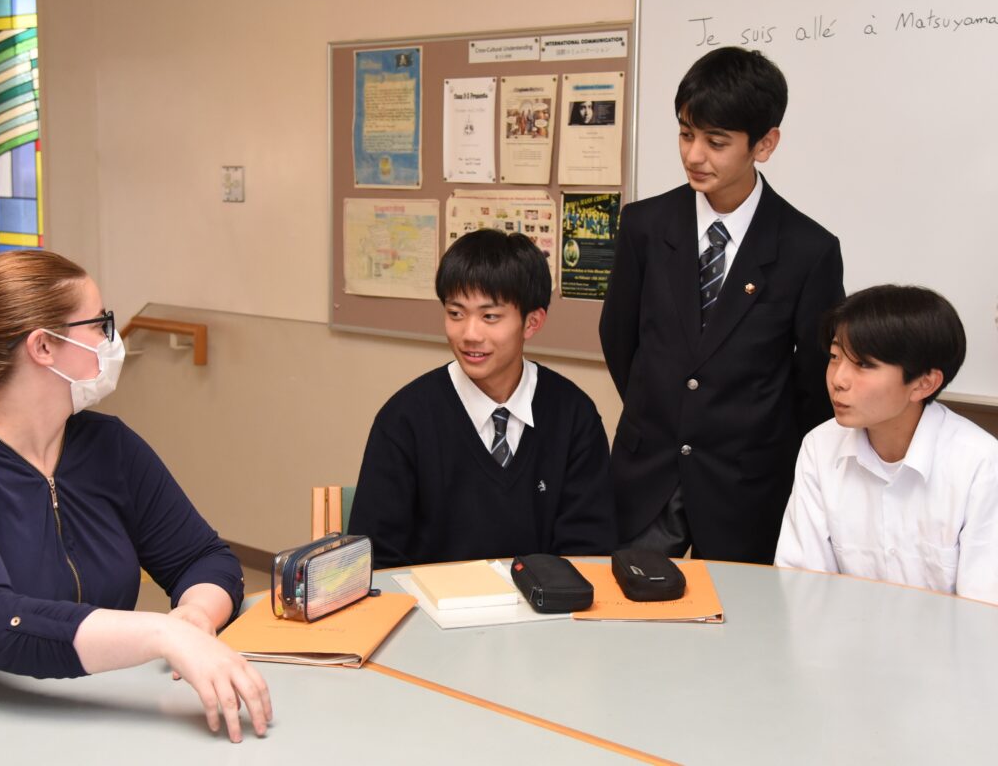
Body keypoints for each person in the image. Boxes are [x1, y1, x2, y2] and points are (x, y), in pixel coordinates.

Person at [0, 251, 271, 742]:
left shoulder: (109, 445)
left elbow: (203, 556)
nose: (111, 340)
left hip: (62, 717)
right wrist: (160, 634)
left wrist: (193, 616)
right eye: (98, 323)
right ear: (43, 346)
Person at [599, 46, 844, 563]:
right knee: (623, 618)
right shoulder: (645, 226)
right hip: (648, 474)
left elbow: (813, 382)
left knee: (740, 630)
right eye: (686, 134)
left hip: (746, 486)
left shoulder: (808, 250)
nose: (693, 155)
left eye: (716, 141)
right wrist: (667, 413)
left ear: (765, 143)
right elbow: (620, 339)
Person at [348, 229, 617, 569]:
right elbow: (375, 559)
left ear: (532, 322)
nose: (469, 335)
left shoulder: (573, 415)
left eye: (490, 317)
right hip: (431, 615)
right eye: (456, 313)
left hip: (545, 614)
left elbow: (588, 554)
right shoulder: (404, 419)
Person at [775, 286, 998, 603]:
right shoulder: (820, 446)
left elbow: (984, 611)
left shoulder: (980, 463)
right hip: (838, 646)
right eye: (835, 358)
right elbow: (800, 585)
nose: (838, 379)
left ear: (924, 383)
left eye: (863, 365)